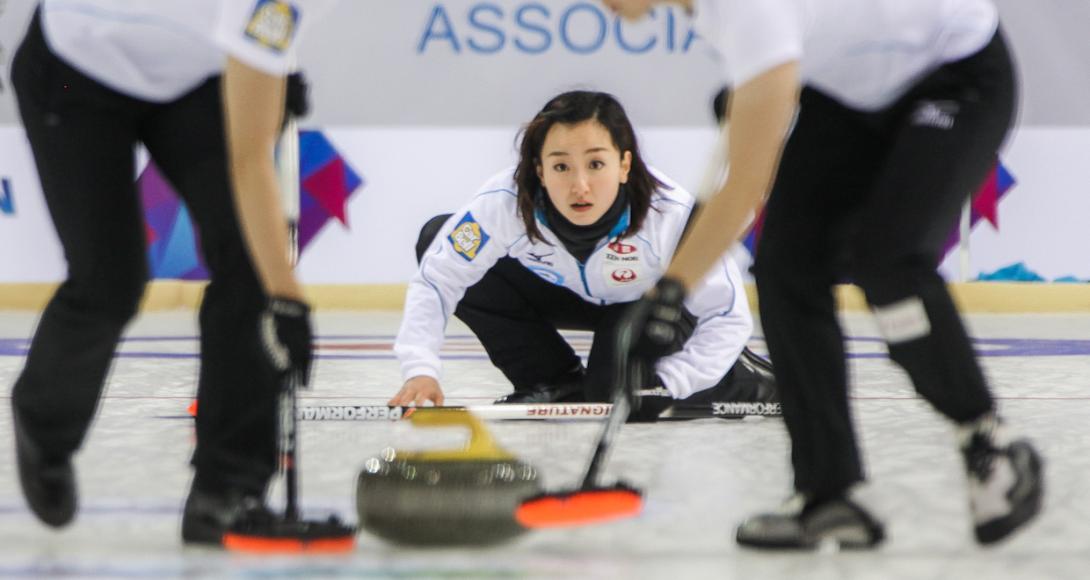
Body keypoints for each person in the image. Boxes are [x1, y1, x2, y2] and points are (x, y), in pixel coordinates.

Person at [602, 0, 1043, 547]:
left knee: (890, 260)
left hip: (954, 72)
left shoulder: (746, 11)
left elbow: (745, 185)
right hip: (850, 95)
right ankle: (829, 496)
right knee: (786, 266)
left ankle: (989, 444)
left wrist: (670, 294)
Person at [8, 0, 334, 545]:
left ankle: (225, 490)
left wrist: (277, 293)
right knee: (108, 280)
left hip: (196, 81)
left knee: (250, 263)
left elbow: (249, 156)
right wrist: (288, 296)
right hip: (74, 69)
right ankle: (44, 423)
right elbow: (253, 161)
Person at [388, 90, 777, 421]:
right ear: (539, 170)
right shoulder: (504, 202)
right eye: (560, 166)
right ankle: (553, 380)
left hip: (643, 306)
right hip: (564, 292)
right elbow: (437, 281)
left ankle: (741, 378)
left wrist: (672, 381)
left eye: (596, 164)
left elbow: (726, 318)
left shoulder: (670, 215)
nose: (580, 186)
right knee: (436, 236)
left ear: (624, 164)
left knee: (618, 400)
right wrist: (420, 369)